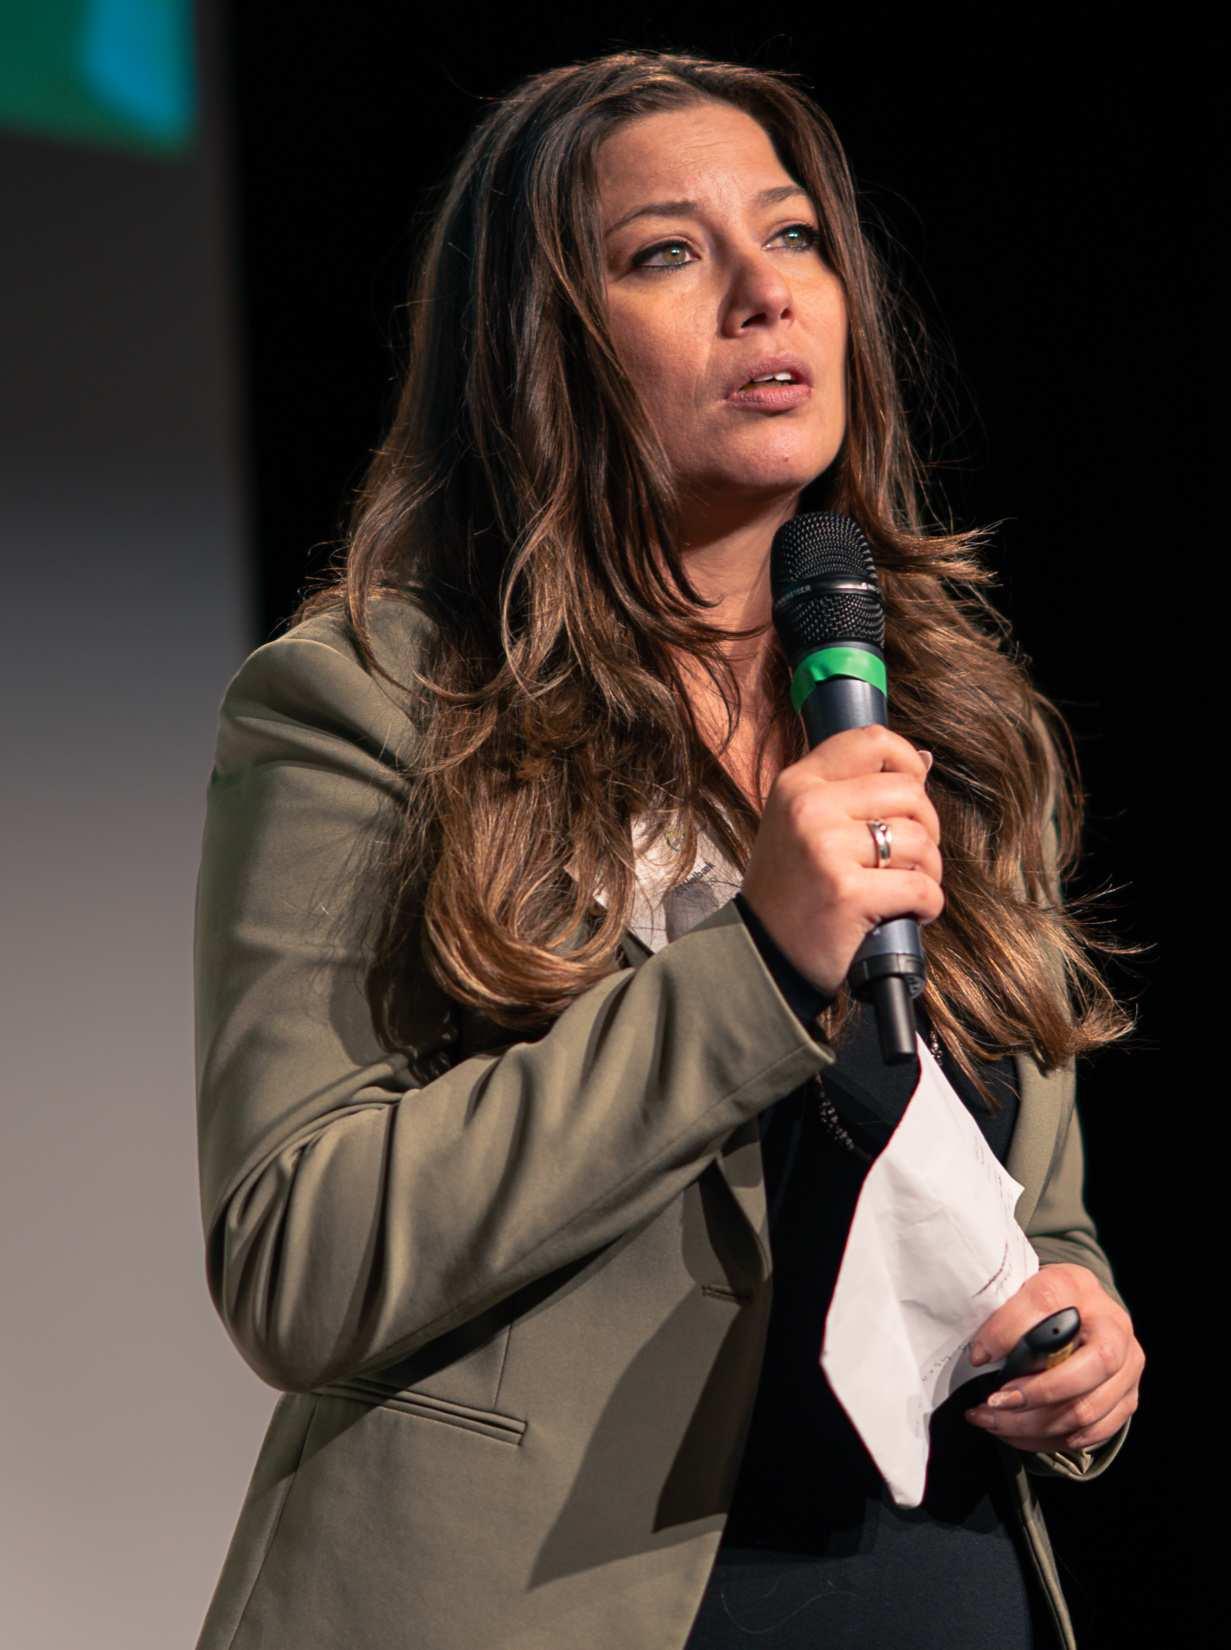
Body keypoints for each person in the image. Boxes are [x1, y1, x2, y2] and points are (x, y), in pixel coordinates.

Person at [190, 48, 1145, 1650]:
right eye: (667, 253)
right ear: (541, 346)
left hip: (932, 1585)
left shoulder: (943, 717)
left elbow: (1021, 1198)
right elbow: (298, 1253)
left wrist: (1076, 1318)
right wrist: (753, 963)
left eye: (792, 236)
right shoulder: (371, 704)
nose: (763, 294)